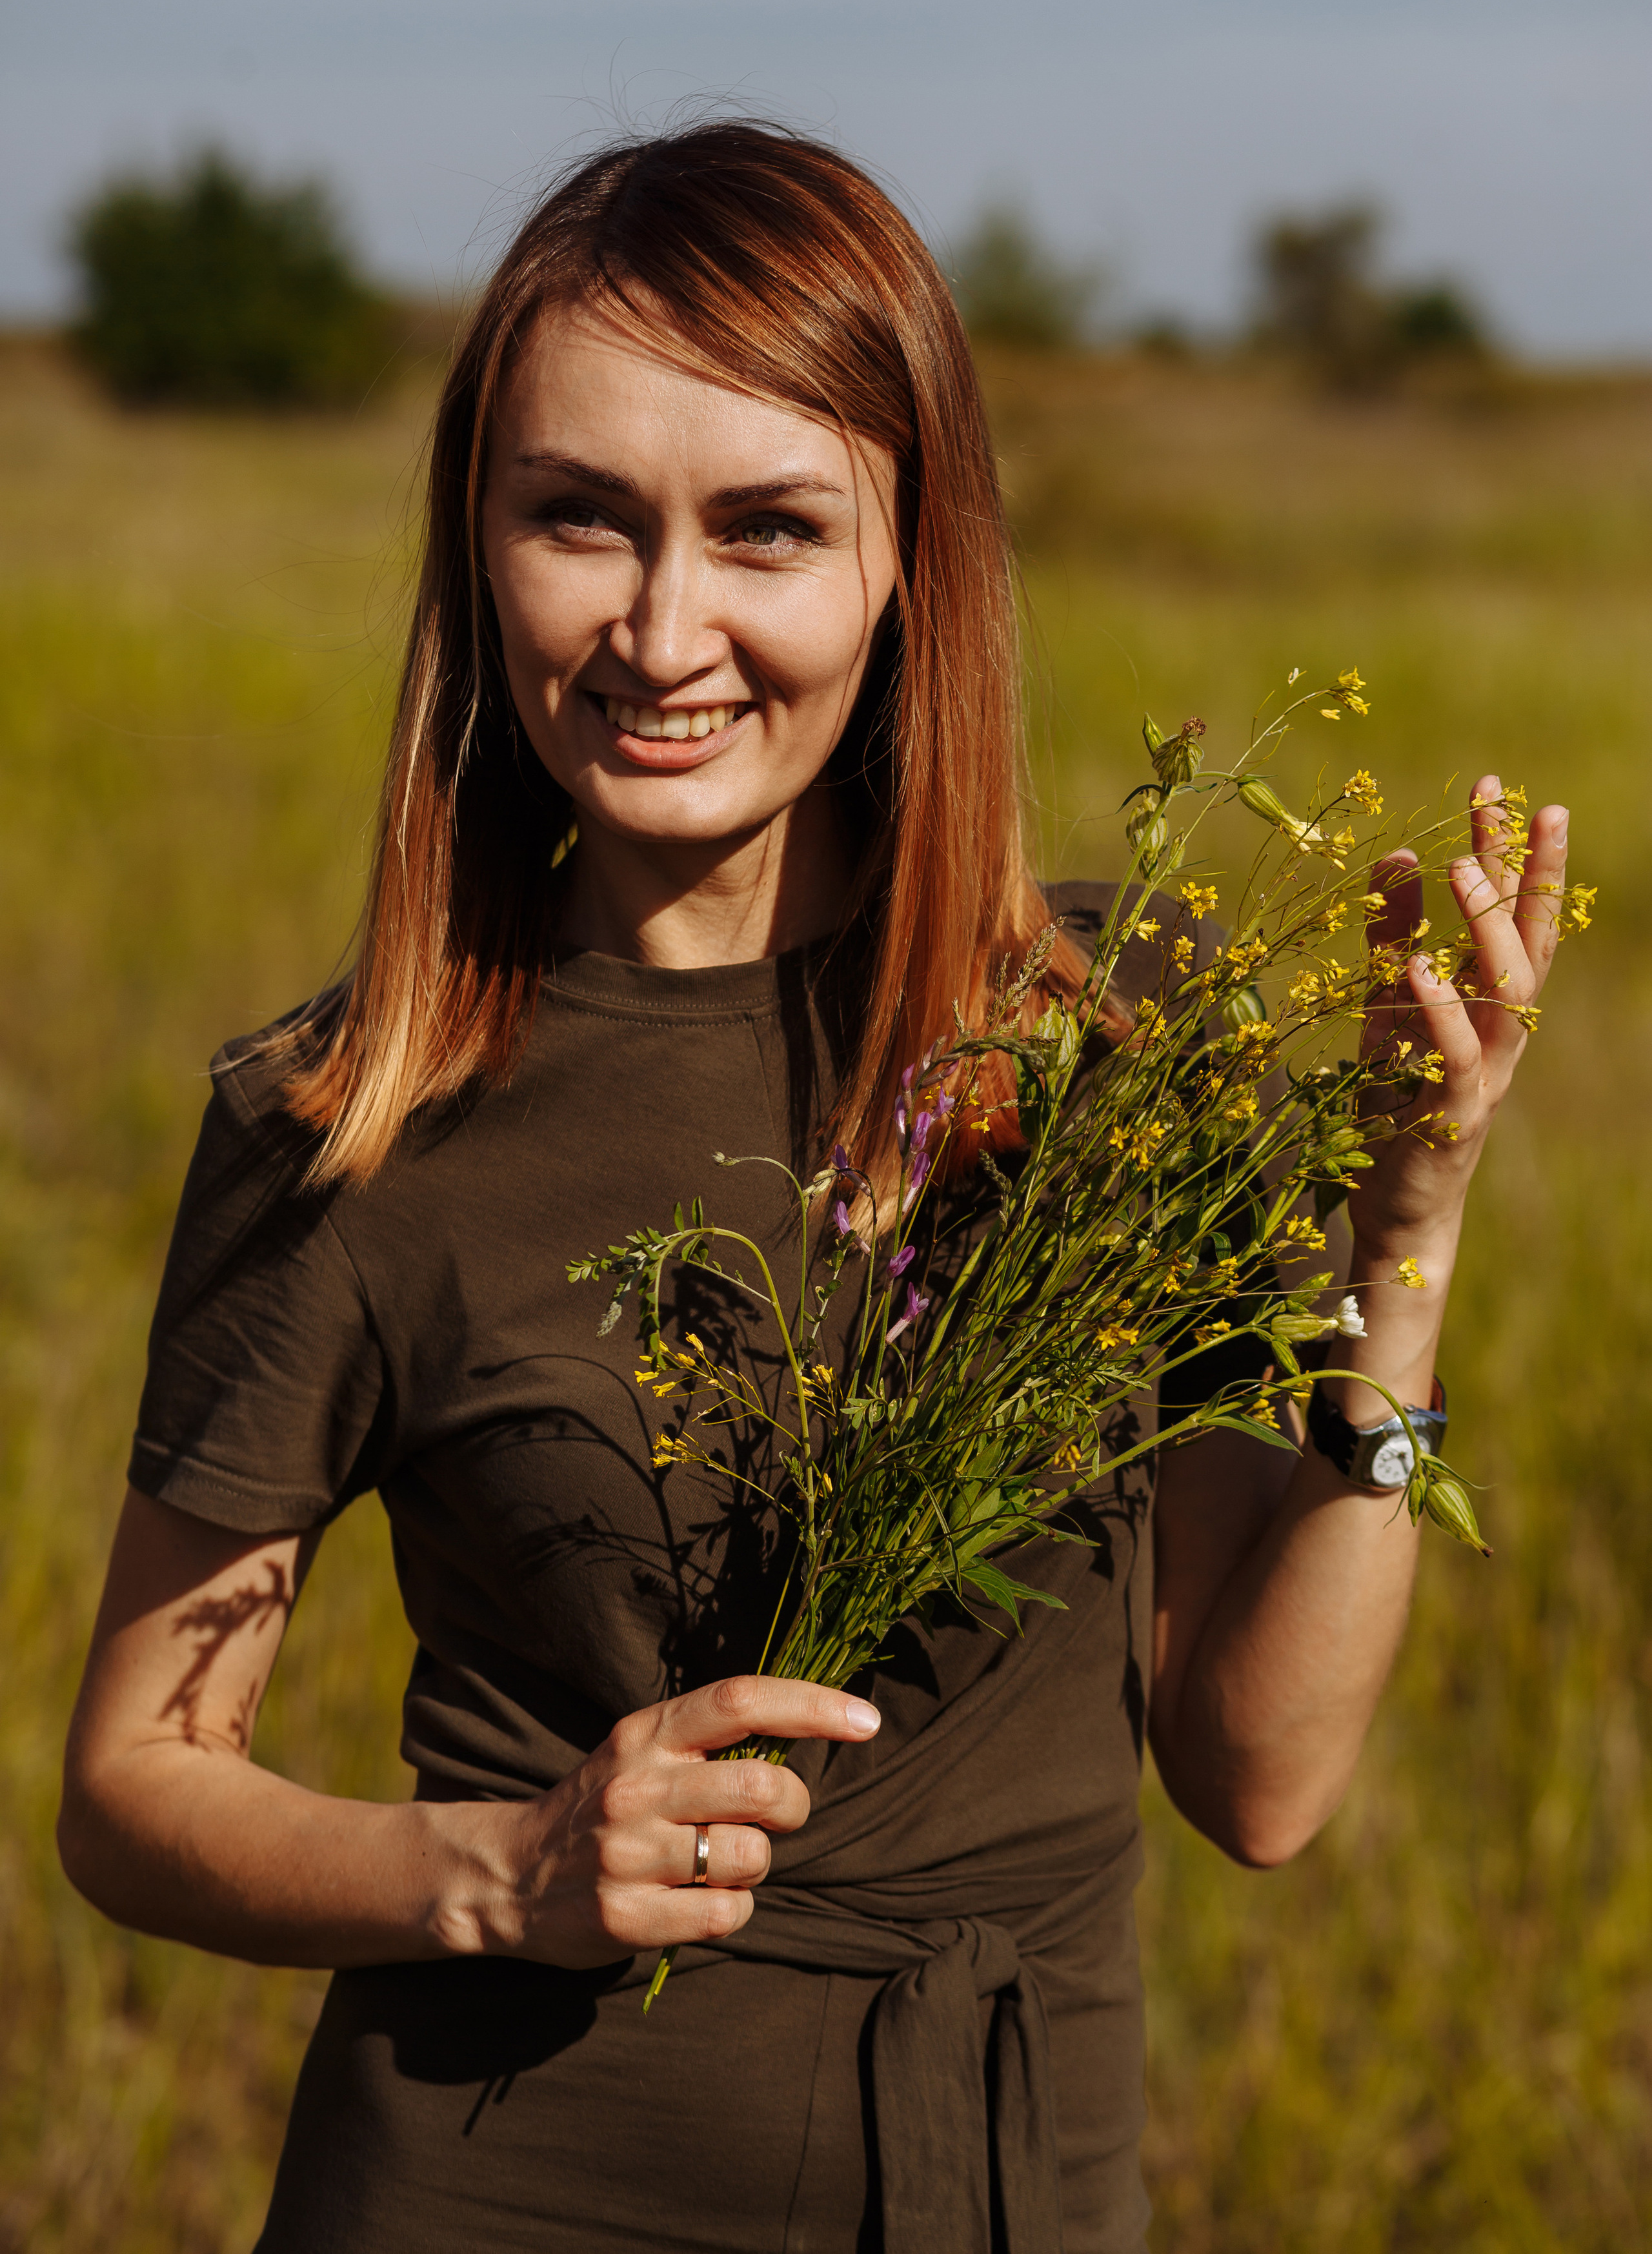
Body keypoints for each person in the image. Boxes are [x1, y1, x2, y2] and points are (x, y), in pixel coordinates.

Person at [57, 123, 1568, 2254]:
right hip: (505, 2189)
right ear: (478, 547)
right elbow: (134, 1786)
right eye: (580, 517)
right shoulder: (358, 1123)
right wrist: (510, 1868)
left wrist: (1404, 1228)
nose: (663, 630)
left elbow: (1261, 1777)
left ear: (905, 566)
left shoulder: (1119, 1036)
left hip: (1012, 2179)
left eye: (766, 529)